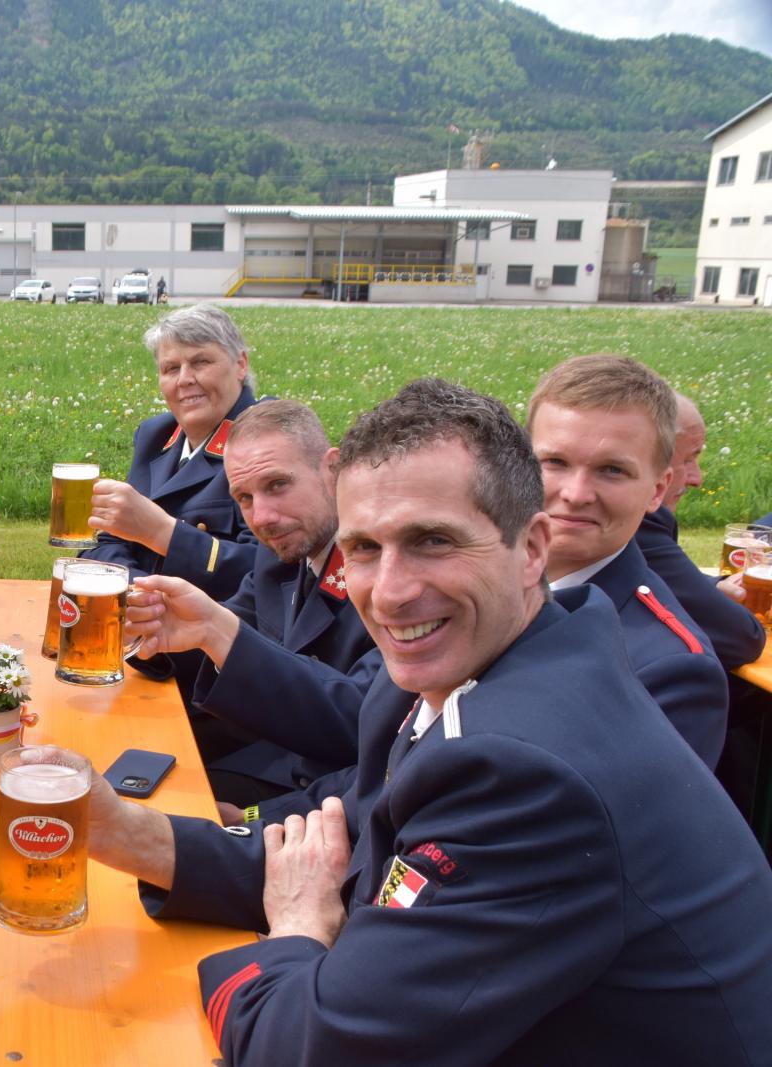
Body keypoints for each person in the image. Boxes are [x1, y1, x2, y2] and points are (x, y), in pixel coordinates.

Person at [92, 379, 772, 1063]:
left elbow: (311, 1048)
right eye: (363, 548)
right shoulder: (464, 665)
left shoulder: (526, 771)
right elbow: (350, 844)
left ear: (532, 548)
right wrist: (118, 831)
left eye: (433, 540)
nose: (390, 593)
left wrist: (296, 929)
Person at [178, 400, 389, 806]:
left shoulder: (384, 571)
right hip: (270, 758)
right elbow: (230, 626)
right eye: (244, 497)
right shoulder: (284, 549)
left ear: (333, 469)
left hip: (331, 796)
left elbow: (365, 722)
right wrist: (148, 632)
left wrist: (255, 819)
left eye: (277, 485)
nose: (262, 517)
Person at [526, 355, 728, 766]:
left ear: (657, 490)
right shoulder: (473, 586)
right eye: (555, 462)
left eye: (612, 470)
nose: (576, 493)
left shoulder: (670, 670)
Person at [82, 303, 259, 700]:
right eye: (170, 368)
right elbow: (106, 544)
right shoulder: (156, 435)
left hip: (213, 680)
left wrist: (163, 533)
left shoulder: (265, 442)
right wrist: (138, 597)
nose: (185, 380)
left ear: (240, 364)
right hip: (139, 654)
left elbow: (269, 572)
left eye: (201, 362)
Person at [632, 390, 765, 670]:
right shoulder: (637, 525)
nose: (697, 479)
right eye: (687, 460)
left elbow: (658, 578)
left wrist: (712, 587)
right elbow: (741, 637)